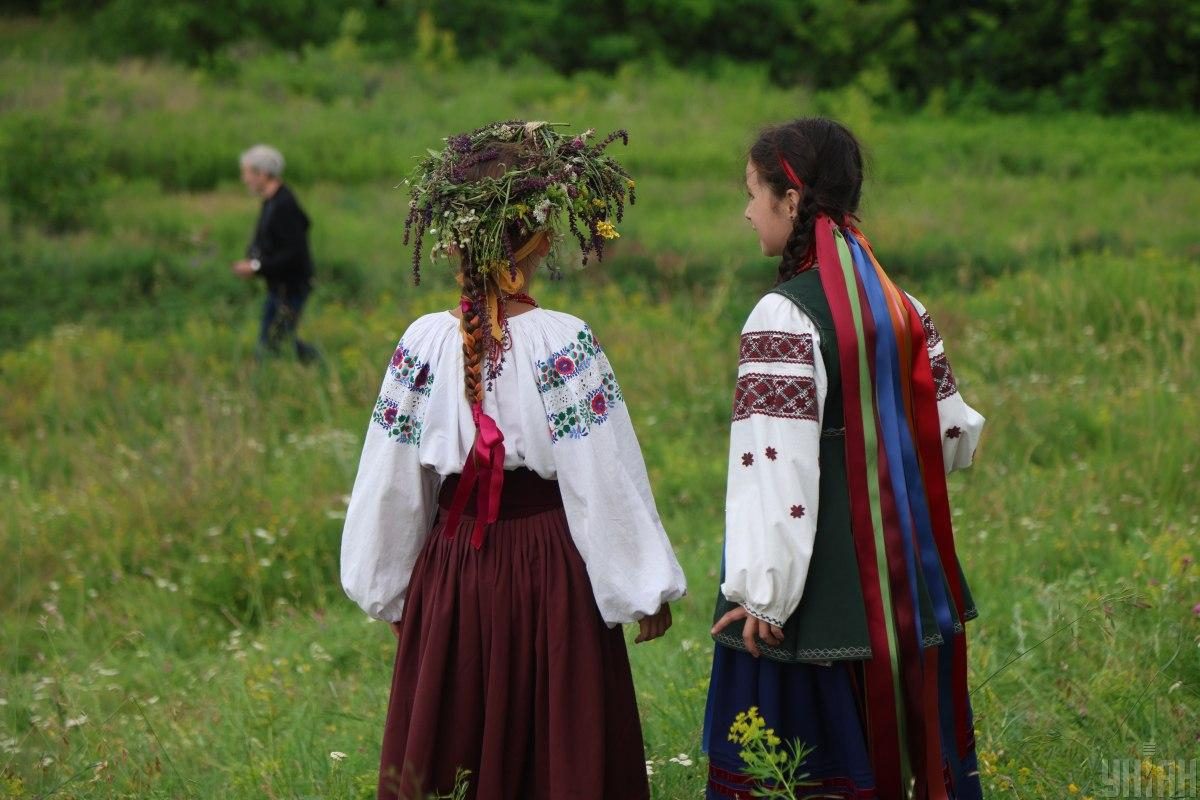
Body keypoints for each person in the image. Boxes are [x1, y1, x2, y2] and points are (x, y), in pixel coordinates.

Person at [339, 121, 686, 800]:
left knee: (458, 740)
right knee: (556, 742)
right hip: (547, 571)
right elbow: (601, 477)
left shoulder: (423, 342)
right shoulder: (565, 342)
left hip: (455, 570)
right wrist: (642, 584)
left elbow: (391, 480)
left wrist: (387, 583)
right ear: (539, 243)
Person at [703, 118, 986, 800]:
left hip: (809, 607)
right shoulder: (902, 307)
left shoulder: (781, 316)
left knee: (800, 772)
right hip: (904, 596)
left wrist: (762, 592)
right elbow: (953, 438)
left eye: (752, 193)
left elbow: (775, 463)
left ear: (791, 200)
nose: (746, 212)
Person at [232, 144, 320, 363]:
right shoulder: (273, 200)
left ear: (262, 174)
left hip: (290, 288)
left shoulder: (283, 204)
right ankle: (318, 366)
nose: (245, 179)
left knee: (270, 344)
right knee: (278, 340)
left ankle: (318, 364)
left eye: (247, 173)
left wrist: (256, 267)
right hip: (280, 286)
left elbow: (293, 252)